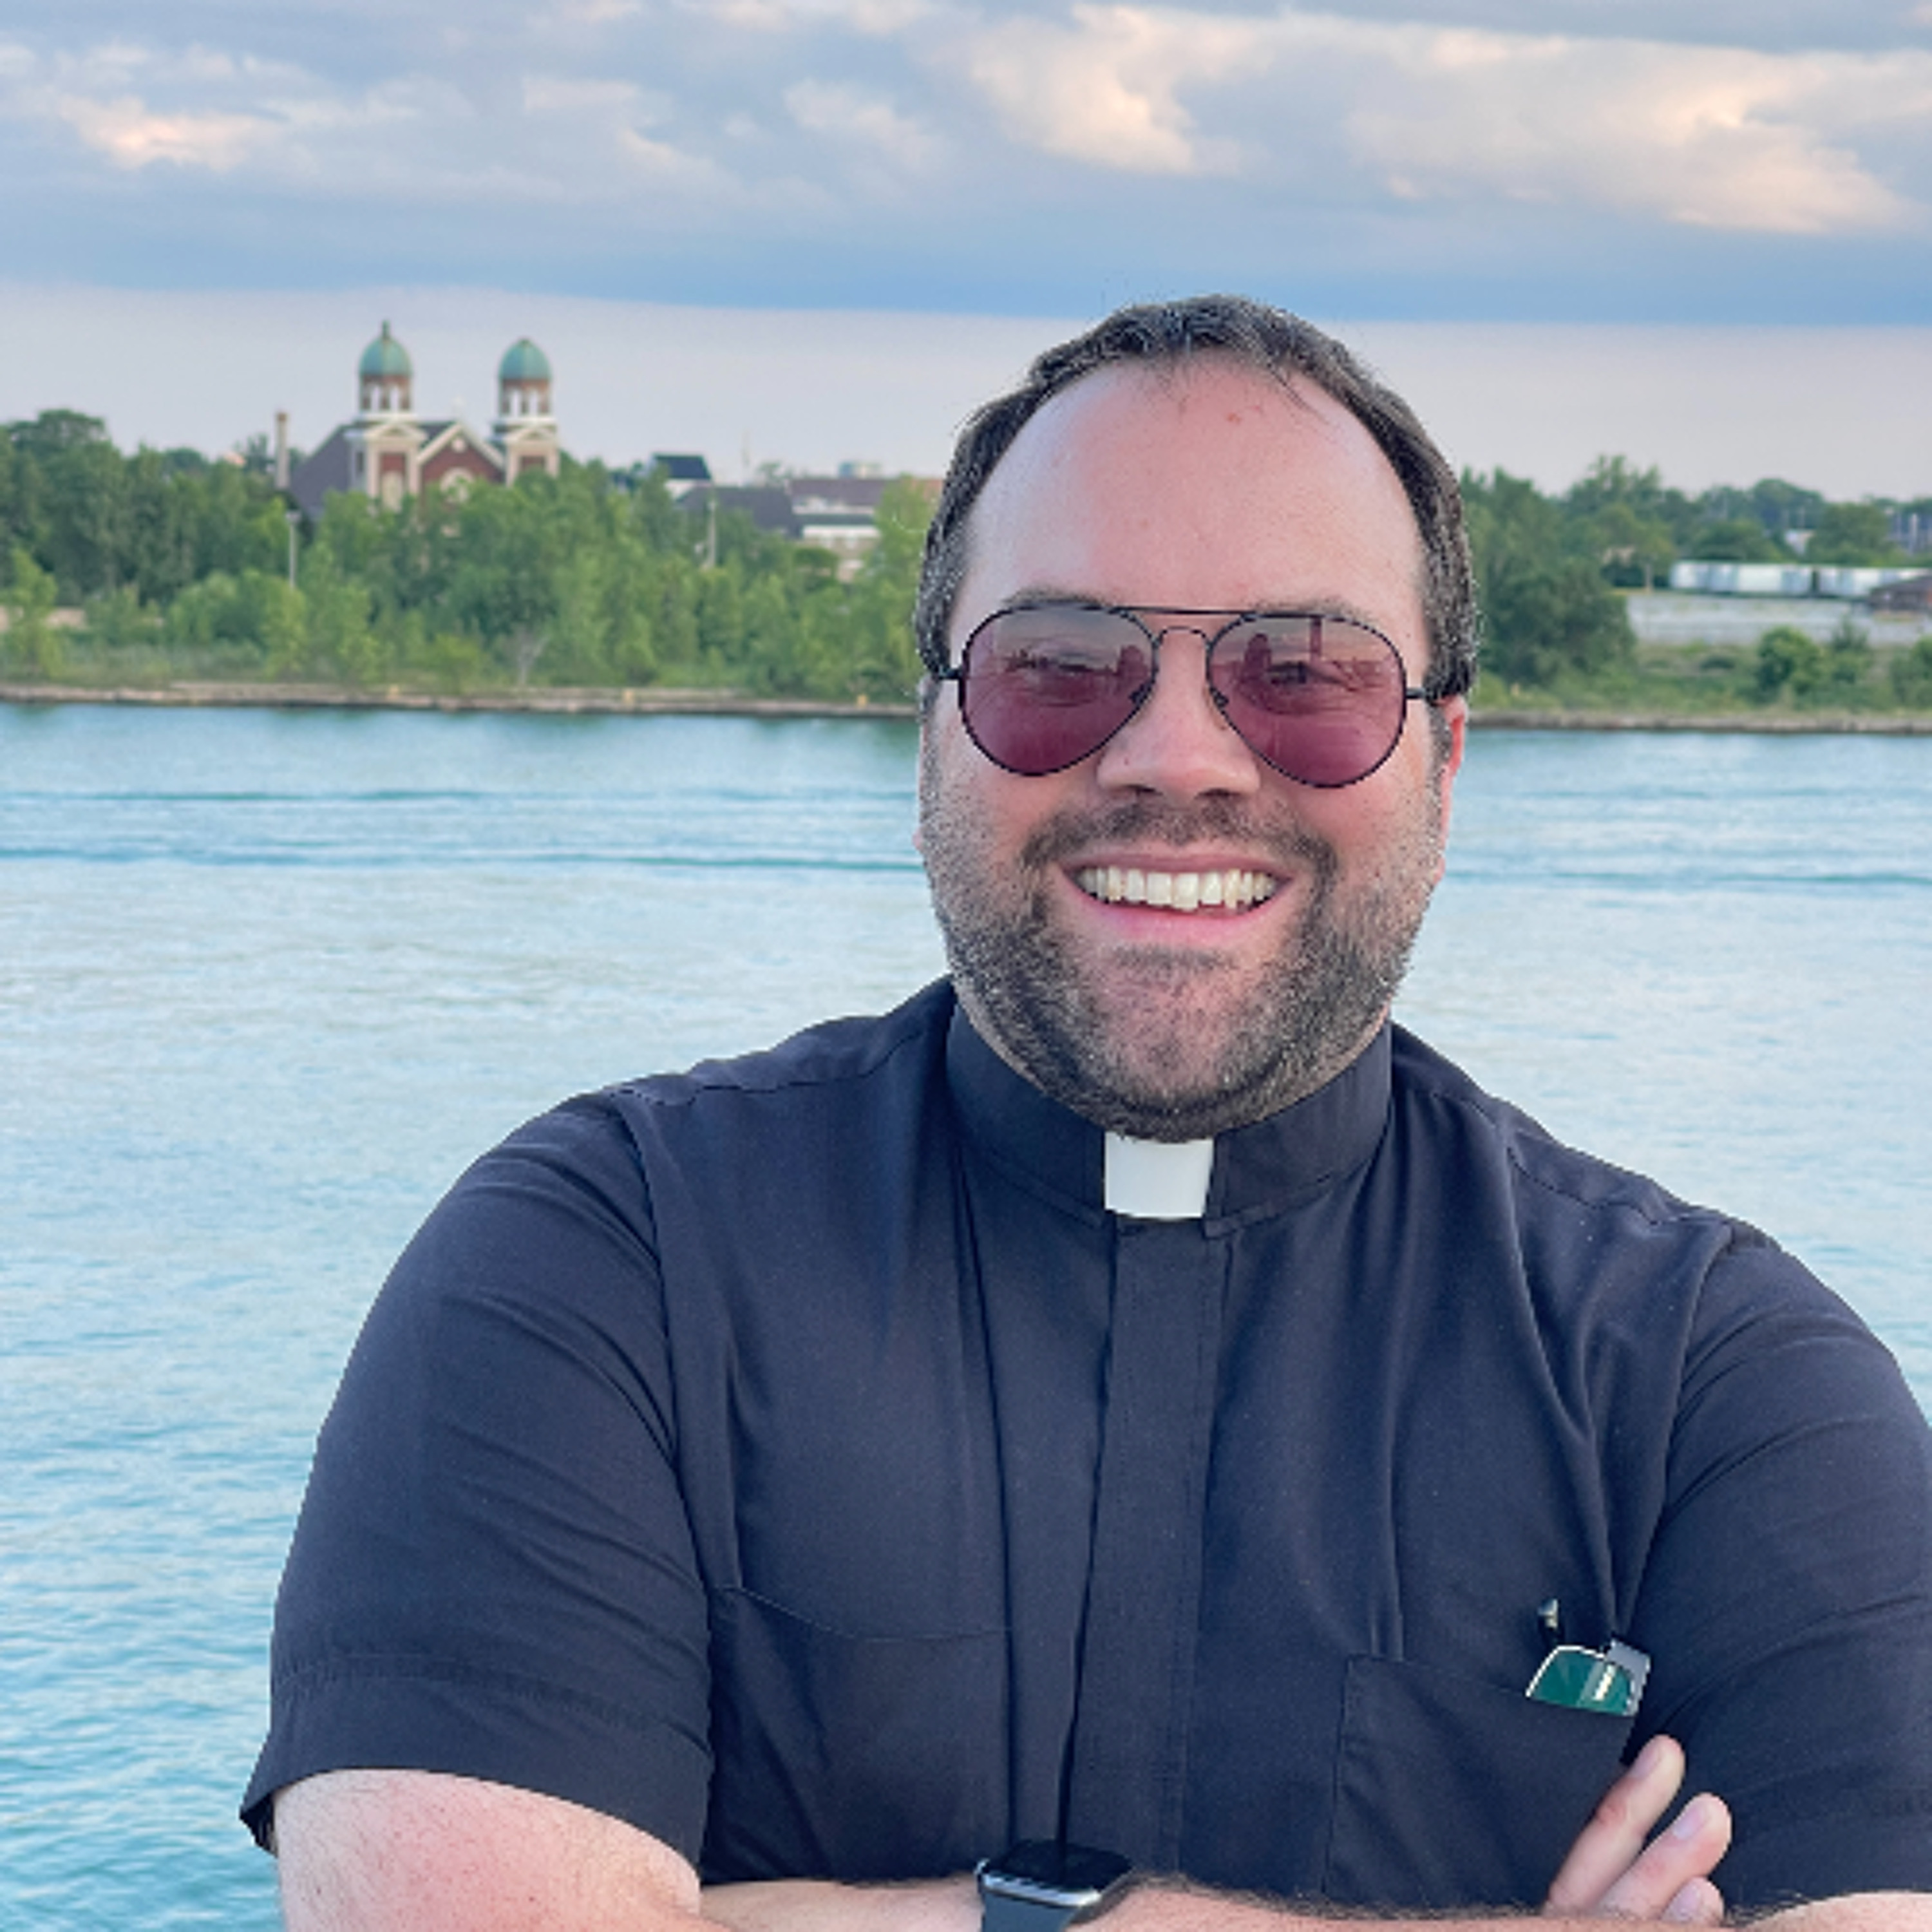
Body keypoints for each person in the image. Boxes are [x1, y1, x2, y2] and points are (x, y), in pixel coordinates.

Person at [245, 297, 1932, 1931]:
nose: (1178, 756)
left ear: (1444, 758)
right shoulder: (597, 1275)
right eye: (1061, 665)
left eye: (1305, 673)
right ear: (930, 730)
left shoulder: (1712, 1387)